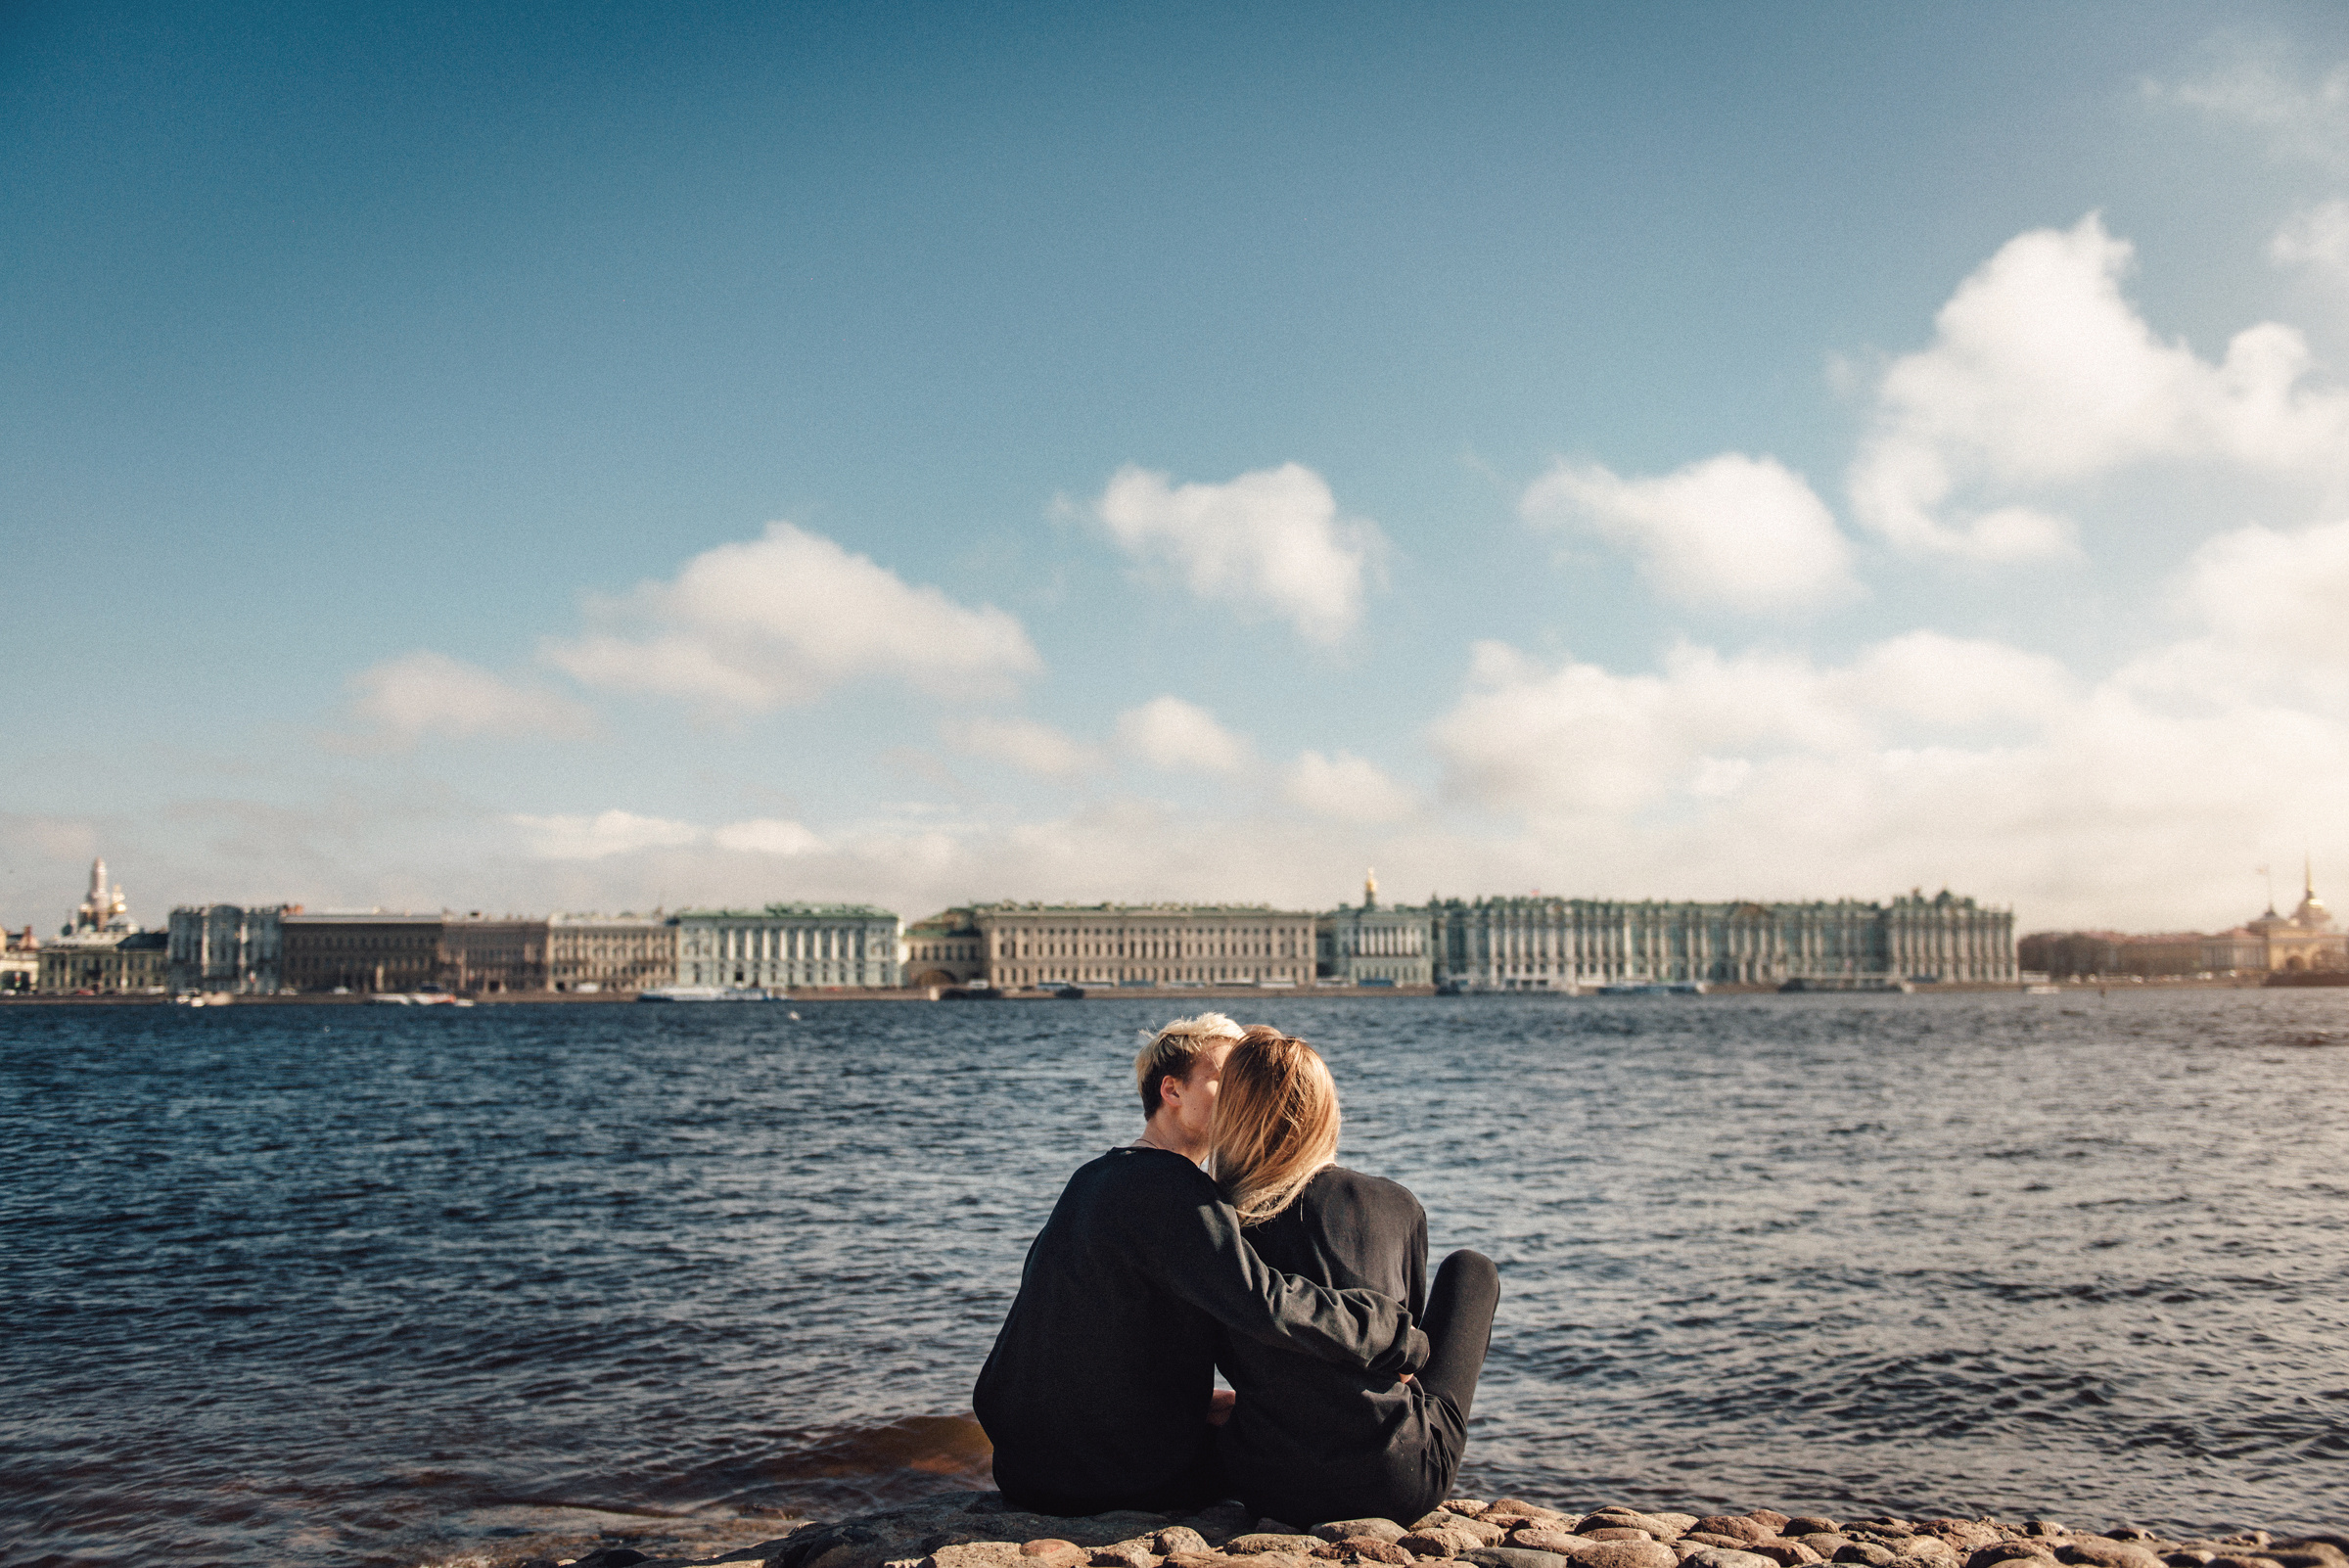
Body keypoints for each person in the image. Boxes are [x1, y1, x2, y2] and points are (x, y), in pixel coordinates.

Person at [974, 1014, 1428, 1517]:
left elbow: (1088, 1343)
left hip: (1023, 1467)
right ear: (1172, 1090)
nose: (1244, 1096)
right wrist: (1395, 1337)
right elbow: (1267, 1304)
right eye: (1227, 1081)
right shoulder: (1177, 1190)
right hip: (1109, 1478)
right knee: (1284, 1445)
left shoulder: (1095, 1176)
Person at [1208, 1026, 1498, 1528]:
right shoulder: (1396, 1203)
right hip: (1398, 1480)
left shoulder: (1216, 1222)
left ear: (1233, 1115)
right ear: (1325, 1112)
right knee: (1473, 1269)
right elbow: (1406, 1360)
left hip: (1267, 1482)